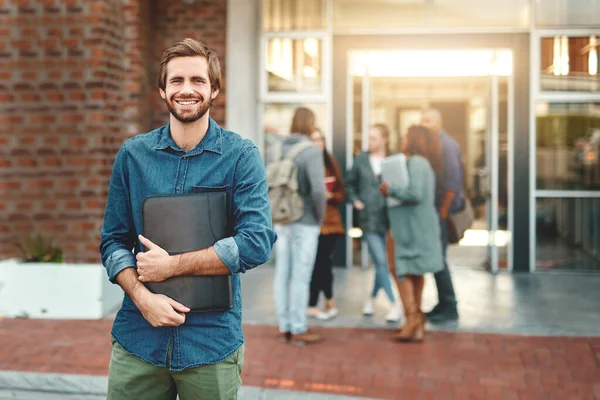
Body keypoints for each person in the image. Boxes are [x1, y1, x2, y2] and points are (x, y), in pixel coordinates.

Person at [99, 38, 276, 399]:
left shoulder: (241, 157)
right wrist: (142, 297)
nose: (187, 89)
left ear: (214, 91)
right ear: (162, 91)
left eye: (198, 80)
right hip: (138, 341)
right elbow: (113, 241)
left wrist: (171, 267)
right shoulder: (133, 156)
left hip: (209, 344)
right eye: (176, 81)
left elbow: (256, 243)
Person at [379, 125, 443, 342]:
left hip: (410, 228)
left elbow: (414, 192)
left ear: (415, 139)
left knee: (401, 268)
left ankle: (412, 319)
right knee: (414, 270)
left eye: (407, 136)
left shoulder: (416, 162)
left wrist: (390, 189)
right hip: (415, 226)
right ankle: (416, 321)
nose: (404, 139)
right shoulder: (423, 163)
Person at [272, 107, 327, 345]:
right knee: (301, 276)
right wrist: (319, 216)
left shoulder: (277, 149)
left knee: (282, 273)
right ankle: (298, 327)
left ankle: (284, 325)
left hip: (282, 219)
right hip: (304, 221)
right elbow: (318, 190)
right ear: (311, 124)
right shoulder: (311, 151)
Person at [345, 124, 402, 322]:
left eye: (374, 138)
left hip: (390, 217)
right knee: (381, 261)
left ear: (385, 139)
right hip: (368, 217)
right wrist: (355, 201)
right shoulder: (360, 159)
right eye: (368, 138)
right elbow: (349, 183)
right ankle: (395, 304)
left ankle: (370, 300)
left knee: (382, 263)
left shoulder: (394, 159)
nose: (370, 142)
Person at [421, 108, 463, 323]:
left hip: (442, 212)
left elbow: (452, 184)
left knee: (439, 259)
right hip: (435, 211)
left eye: (428, 120)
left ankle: (450, 307)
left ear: (439, 122)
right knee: (437, 260)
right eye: (422, 120)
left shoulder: (446, 145)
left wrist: (442, 213)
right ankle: (443, 304)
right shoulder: (433, 145)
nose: (424, 124)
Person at [307, 129, 345, 320]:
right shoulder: (306, 163)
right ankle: (324, 301)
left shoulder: (331, 163)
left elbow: (341, 193)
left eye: (320, 139)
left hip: (331, 222)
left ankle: (315, 302)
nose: (317, 143)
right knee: (320, 263)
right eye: (313, 139)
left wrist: (330, 195)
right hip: (312, 221)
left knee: (322, 261)